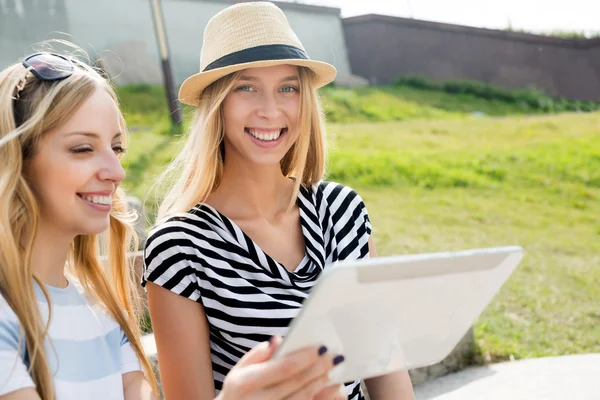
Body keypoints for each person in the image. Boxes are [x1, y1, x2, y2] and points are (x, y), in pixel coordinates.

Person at [0, 48, 337, 400]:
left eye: (116, 149)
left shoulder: (103, 314)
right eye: (83, 149)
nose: (116, 173)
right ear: (15, 162)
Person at [142, 2, 415, 399]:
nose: (270, 111)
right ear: (217, 104)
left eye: (287, 88)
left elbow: (386, 372)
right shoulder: (180, 247)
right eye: (246, 87)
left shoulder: (344, 212)